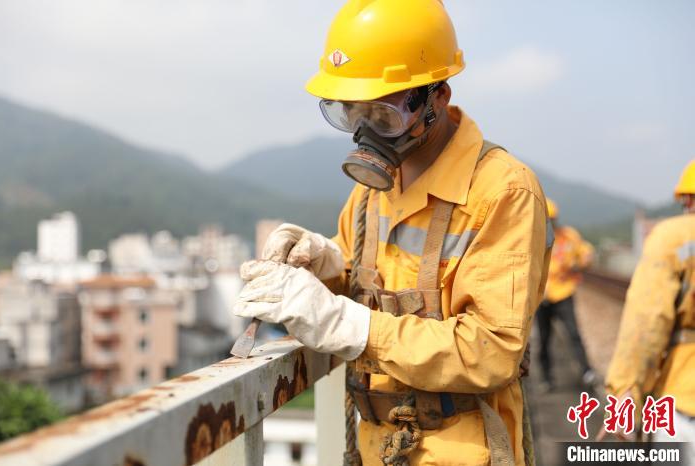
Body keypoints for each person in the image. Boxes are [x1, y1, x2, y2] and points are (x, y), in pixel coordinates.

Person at [234, 0, 552, 464]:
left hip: (463, 449)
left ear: (436, 98)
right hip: (375, 443)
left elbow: (491, 350)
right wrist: (324, 265)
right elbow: (365, 278)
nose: (365, 132)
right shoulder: (371, 193)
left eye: (382, 115)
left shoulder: (502, 191)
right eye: (351, 113)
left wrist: (351, 326)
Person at [602, 160, 695, 453]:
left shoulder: (675, 237)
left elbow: (646, 327)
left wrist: (624, 398)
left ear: (687, 198)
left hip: (685, 401)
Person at [535, 198, 595, 392]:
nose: (550, 223)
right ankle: (546, 378)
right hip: (541, 297)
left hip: (563, 292)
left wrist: (586, 258)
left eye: (552, 220)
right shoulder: (533, 239)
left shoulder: (568, 237)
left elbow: (584, 250)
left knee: (573, 333)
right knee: (544, 339)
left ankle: (587, 372)